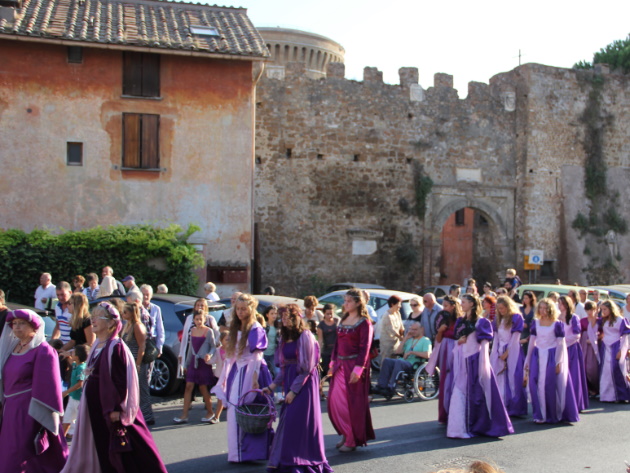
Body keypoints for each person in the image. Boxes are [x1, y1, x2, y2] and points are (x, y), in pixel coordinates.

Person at [60, 302, 167, 473]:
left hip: (111, 409)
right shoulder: (97, 344)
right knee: (100, 447)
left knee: (128, 448)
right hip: (95, 407)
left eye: (98, 317)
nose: (93, 320)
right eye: (92, 316)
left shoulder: (115, 347)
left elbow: (120, 380)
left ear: (111, 323)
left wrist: (117, 408)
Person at [263, 304, 332, 473]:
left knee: (299, 422)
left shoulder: (305, 336)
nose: (284, 320)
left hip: (304, 384)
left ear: (296, 318)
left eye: (288, 317)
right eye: (283, 317)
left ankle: (302, 460)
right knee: (288, 422)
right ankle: (288, 460)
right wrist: (271, 386)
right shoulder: (284, 337)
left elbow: (307, 367)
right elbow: (284, 367)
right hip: (290, 380)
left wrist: (294, 391)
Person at [0, 309, 68, 473]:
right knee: (8, 454)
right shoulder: (12, 348)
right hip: (9, 411)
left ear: (34, 327)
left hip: (29, 413)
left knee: (22, 457)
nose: (16, 328)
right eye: (14, 324)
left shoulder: (43, 351)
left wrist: (42, 420)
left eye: (22, 323)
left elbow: (49, 388)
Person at [212, 293, 273, 463]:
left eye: (243, 309)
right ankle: (238, 452)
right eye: (238, 309)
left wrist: (254, 377)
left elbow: (257, 355)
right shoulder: (236, 326)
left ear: (251, 309)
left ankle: (244, 452)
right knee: (235, 409)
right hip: (237, 369)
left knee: (243, 409)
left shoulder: (255, 328)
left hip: (249, 370)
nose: (240, 312)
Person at [447, 294, 513, 439]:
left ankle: (480, 426)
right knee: (459, 392)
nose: (461, 304)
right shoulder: (460, 320)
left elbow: (484, 345)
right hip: (462, 361)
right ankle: (458, 428)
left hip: (475, 360)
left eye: (463, 302)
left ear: (471, 304)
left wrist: (484, 363)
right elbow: (457, 340)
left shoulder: (481, 322)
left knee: (479, 394)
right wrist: (460, 341)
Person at [327, 288, 375, 452]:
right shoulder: (344, 319)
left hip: (353, 366)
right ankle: (346, 433)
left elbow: (365, 348)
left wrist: (358, 369)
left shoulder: (364, 323)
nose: (344, 304)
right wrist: (332, 362)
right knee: (335, 401)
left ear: (357, 302)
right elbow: (337, 344)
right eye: (345, 300)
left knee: (351, 404)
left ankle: (352, 439)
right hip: (340, 365)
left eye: (348, 301)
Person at [524, 298, 580, 424]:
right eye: (541, 308)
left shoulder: (557, 324)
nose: (542, 311)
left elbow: (560, 344)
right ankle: (539, 414)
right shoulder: (536, 323)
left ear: (550, 309)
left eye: (545, 308)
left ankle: (552, 414)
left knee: (549, 385)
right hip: (537, 355)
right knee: (534, 383)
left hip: (551, 355)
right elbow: (532, 343)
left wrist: (558, 362)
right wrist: (527, 360)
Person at [173, 310, 218, 424]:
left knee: (203, 387)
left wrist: (209, 354)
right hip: (193, 362)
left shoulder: (208, 331)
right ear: (193, 320)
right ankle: (184, 414)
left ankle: (210, 411)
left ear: (205, 320)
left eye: (200, 319)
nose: (198, 321)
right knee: (188, 386)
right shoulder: (192, 331)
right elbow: (190, 350)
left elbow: (213, 347)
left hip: (203, 362)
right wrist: (186, 364)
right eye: (196, 319)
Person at [426, 295, 462, 424]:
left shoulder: (460, 320)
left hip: (457, 350)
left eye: (446, 306)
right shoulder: (443, 318)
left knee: (455, 380)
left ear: (453, 306)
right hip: (445, 350)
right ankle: (445, 413)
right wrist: (440, 331)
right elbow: (439, 339)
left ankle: (456, 412)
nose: (444, 308)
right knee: (445, 380)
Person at [490, 296, 527, 417]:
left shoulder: (516, 318)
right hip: (500, 349)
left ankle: (515, 407)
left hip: (513, 350)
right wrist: (495, 352)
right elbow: (495, 337)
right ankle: (502, 404)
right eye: (499, 309)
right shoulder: (498, 319)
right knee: (500, 377)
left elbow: (515, 337)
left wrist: (508, 352)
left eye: (502, 308)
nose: (501, 311)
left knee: (513, 377)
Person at [587, 300, 630, 402]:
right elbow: (592, 325)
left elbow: (625, 335)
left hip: (616, 345)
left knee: (617, 370)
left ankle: (621, 395)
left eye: (605, 309)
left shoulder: (620, 320)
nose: (603, 311)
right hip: (605, 347)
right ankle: (607, 396)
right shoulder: (603, 320)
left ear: (611, 309)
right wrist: (596, 313)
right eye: (602, 309)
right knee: (605, 371)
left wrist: (622, 351)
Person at [373, 322, 431, 396]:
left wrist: (412, 352)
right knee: (387, 361)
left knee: (399, 363)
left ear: (421, 329)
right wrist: (405, 339)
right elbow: (398, 352)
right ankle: (381, 386)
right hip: (404, 362)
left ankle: (391, 387)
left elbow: (427, 355)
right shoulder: (410, 340)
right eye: (411, 329)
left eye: (415, 330)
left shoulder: (425, 340)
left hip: (414, 364)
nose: (412, 331)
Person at [120, 303, 155, 425]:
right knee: (132, 389)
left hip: (137, 361)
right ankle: (136, 414)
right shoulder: (127, 325)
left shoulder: (137, 326)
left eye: (125, 312)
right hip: (129, 361)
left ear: (132, 313)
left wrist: (138, 364)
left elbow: (142, 346)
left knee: (142, 388)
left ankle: (147, 415)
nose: (123, 314)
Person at [558, 296, 588, 411]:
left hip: (571, 349)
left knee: (573, 374)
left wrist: (563, 341)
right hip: (560, 349)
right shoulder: (557, 317)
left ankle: (575, 402)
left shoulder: (574, 318)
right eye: (559, 303)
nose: (560, 306)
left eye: (561, 304)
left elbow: (577, 335)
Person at [62, 344, 89, 438]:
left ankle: (81, 440)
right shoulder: (76, 364)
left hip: (79, 399)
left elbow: (80, 383)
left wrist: (66, 392)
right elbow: (70, 360)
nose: (71, 353)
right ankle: (61, 440)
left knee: (80, 421)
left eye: (73, 352)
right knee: (67, 419)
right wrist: (66, 355)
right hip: (72, 398)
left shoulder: (81, 368)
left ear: (77, 357)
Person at [580, 301, 599, 396]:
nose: (590, 312)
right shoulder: (583, 321)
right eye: (588, 309)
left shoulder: (599, 321)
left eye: (591, 309)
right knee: (584, 366)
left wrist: (594, 339)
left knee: (592, 368)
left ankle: (596, 388)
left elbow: (603, 333)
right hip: (584, 344)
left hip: (595, 347)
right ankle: (587, 389)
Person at [140, 284, 166, 357]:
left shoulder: (156, 309)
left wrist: (159, 347)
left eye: (147, 295)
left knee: (149, 366)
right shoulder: (137, 308)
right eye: (143, 294)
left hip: (152, 341)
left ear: (151, 296)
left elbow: (160, 329)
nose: (145, 297)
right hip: (139, 341)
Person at [379, 295, 404, 361]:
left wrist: (403, 333)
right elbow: (391, 330)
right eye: (398, 304)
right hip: (387, 344)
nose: (400, 306)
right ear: (392, 304)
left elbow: (401, 325)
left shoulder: (397, 313)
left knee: (394, 360)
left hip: (396, 343)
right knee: (386, 361)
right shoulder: (387, 315)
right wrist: (401, 338)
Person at [317, 303, 339, 377]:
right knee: (328, 373)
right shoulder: (321, 325)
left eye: (331, 313)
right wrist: (318, 354)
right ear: (324, 313)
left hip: (337, 350)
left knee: (337, 373)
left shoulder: (337, 322)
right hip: (326, 351)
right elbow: (320, 340)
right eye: (327, 314)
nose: (330, 316)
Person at [262, 305, 280, 378]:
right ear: (267, 315)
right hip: (264, 353)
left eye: (275, 314)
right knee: (264, 373)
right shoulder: (263, 326)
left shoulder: (278, 326)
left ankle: (277, 389)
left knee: (277, 373)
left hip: (274, 353)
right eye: (272, 313)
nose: (274, 316)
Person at [519, 291, 537, 355]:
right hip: (522, 332)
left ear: (531, 299)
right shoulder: (521, 309)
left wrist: (528, 325)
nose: (525, 300)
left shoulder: (535, 309)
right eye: (524, 298)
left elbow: (535, 320)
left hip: (530, 332)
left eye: (526, 298)